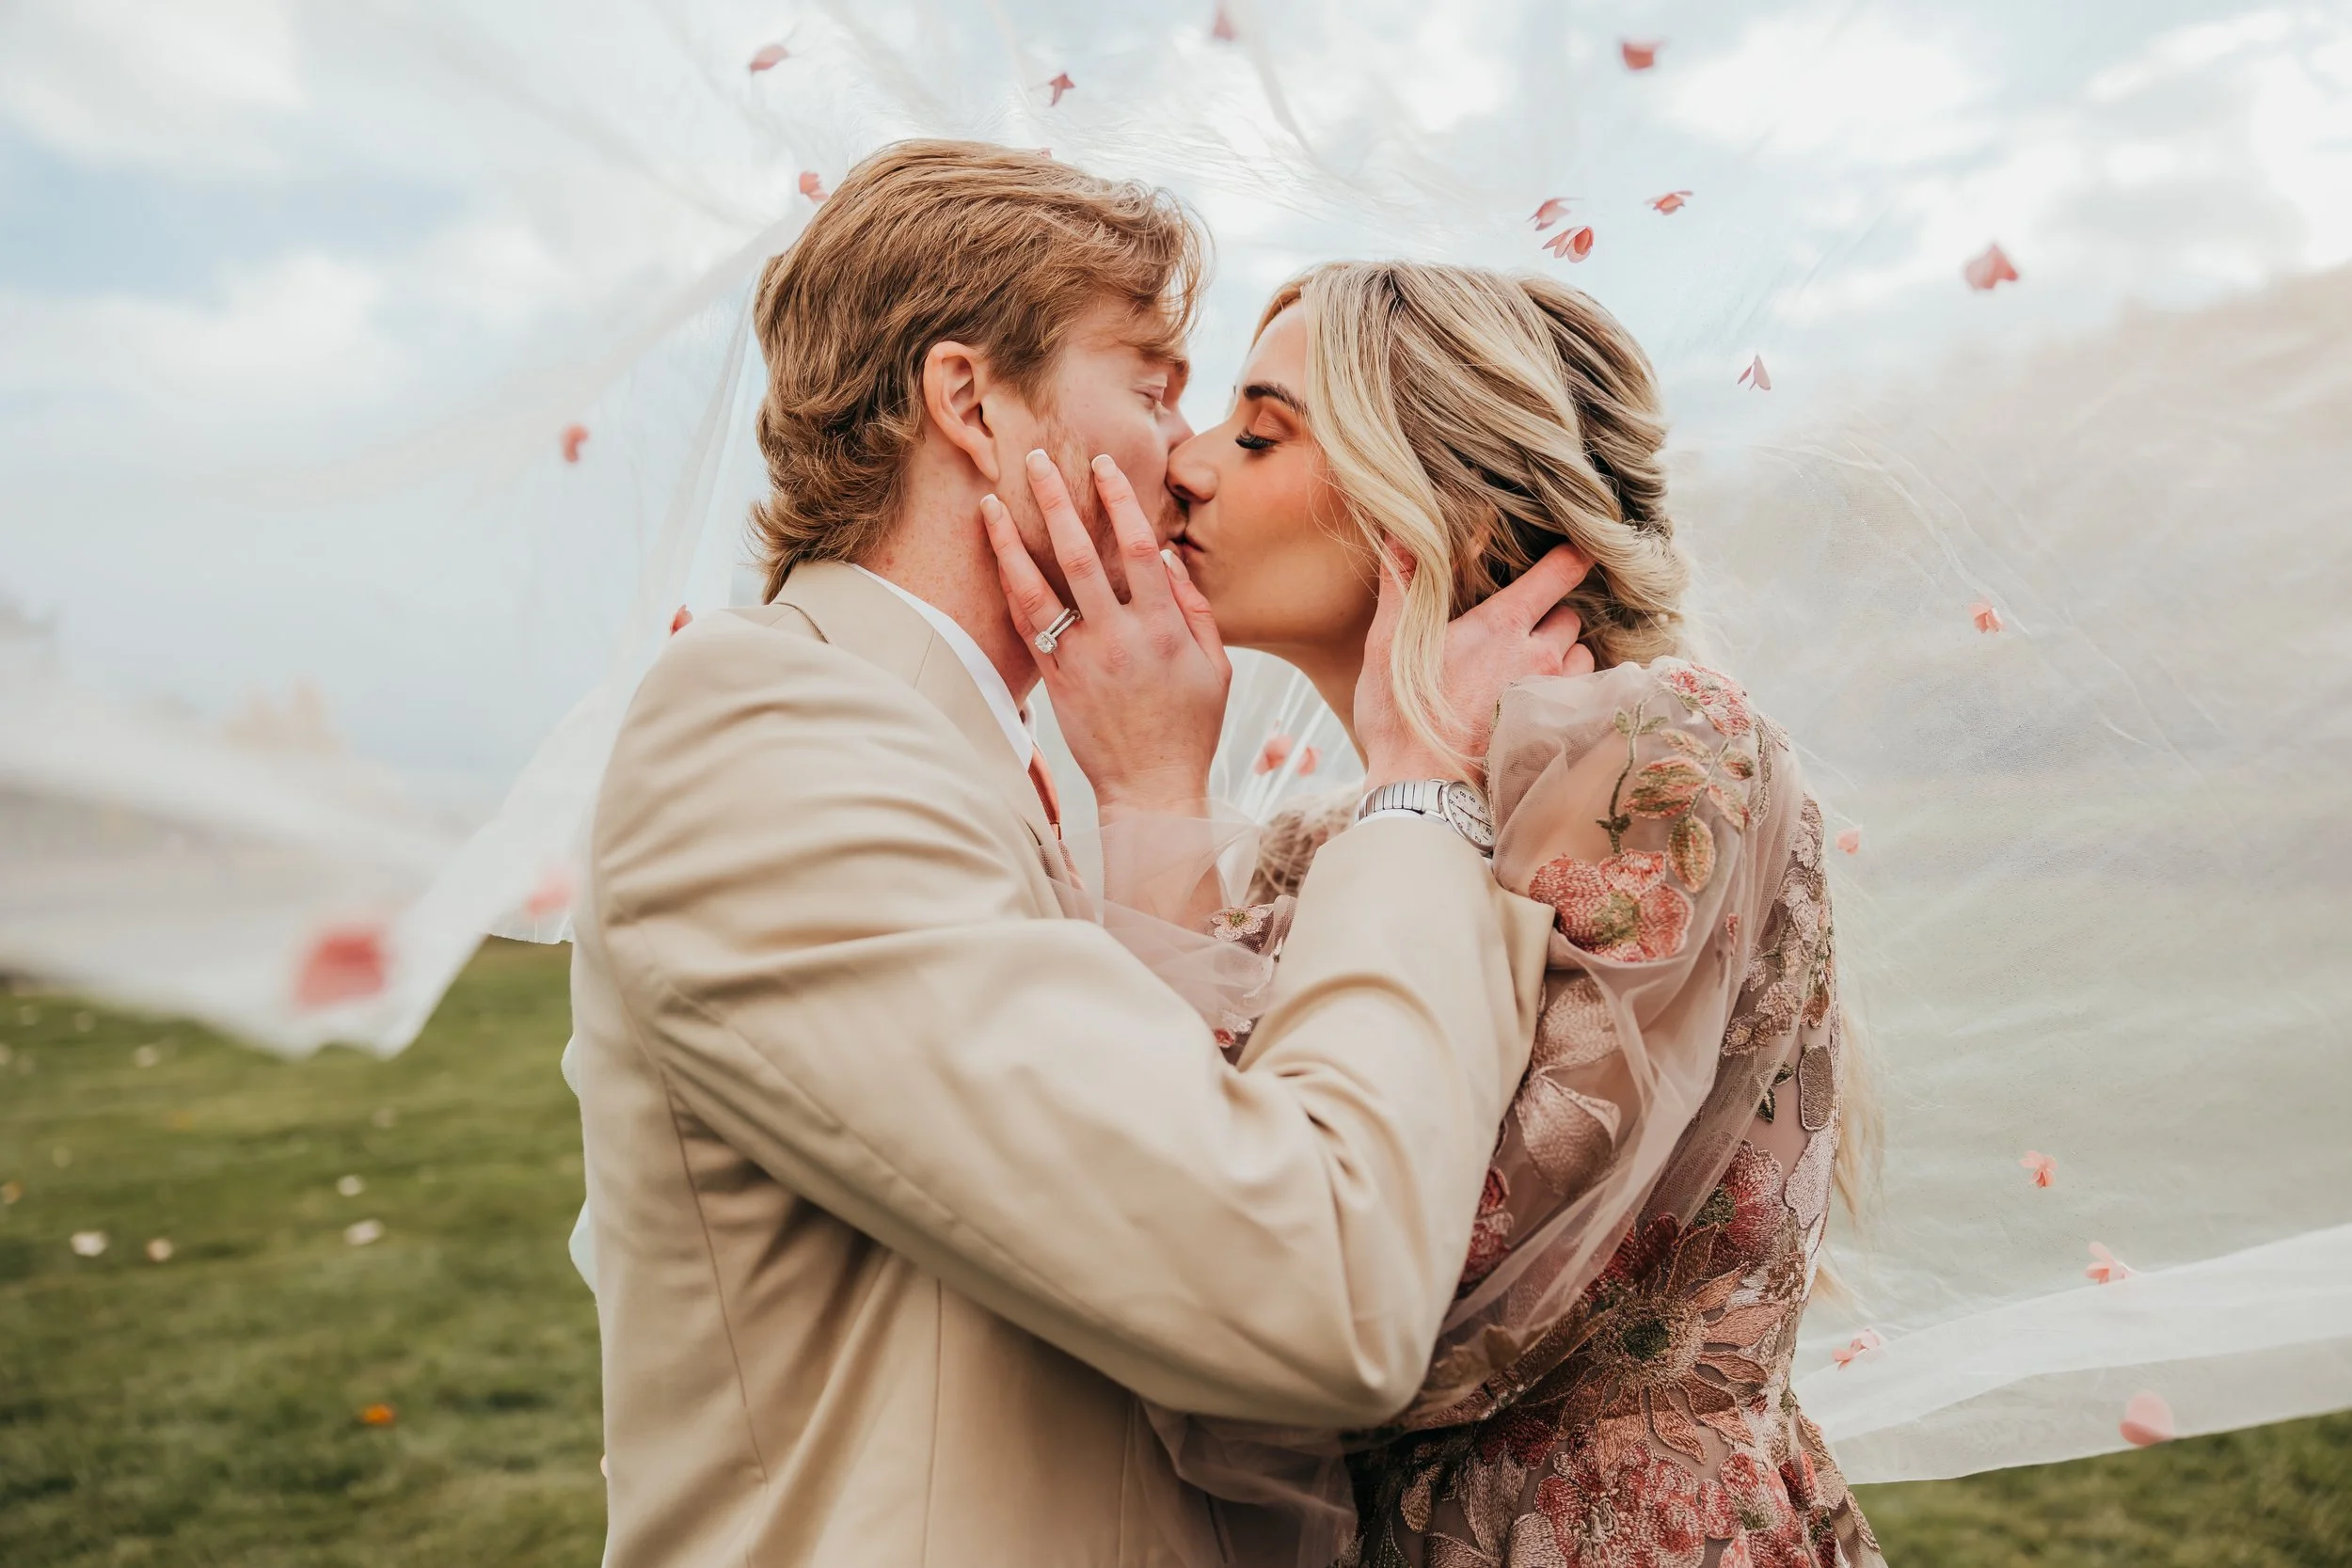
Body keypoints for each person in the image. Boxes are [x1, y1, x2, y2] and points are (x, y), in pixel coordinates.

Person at [568, 141, 1598, 1567]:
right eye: (1157, 383)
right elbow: (1314, 1285)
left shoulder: (959, 757)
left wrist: (1154, 795)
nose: (1186, 456)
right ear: (970, 401)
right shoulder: (768, 740)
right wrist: (1417, 796)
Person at [990, 262, 1885, 1566]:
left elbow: (1367, 1294)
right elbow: (1196, 1195)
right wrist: (1148, 783)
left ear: (1453, 512)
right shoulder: (1336, 849)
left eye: (1260, 431)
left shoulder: (1652, 748)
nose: (1184, 466)